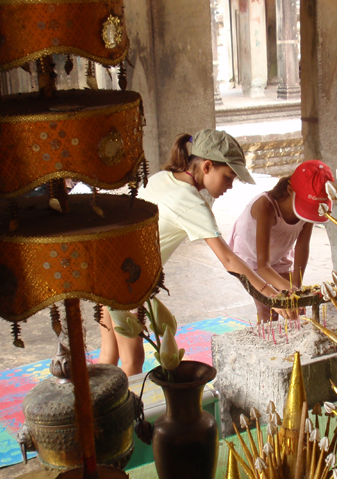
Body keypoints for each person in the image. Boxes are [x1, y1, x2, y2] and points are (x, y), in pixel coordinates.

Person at [99, 129, 280, 375]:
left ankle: (94, 411)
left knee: (108, 354)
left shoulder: (164, 177)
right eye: (228, 177)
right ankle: (129, 413)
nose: (230, 186)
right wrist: (271, 296)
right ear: (207, 167)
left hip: (106, 270)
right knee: (132, 361)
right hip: (128, 282)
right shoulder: (193, 203)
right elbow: (228, 259)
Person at [228, 160, 334, 322]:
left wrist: (296, 290)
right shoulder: (266, 207)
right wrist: (289, 289)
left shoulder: (308, 208)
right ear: (290, 190)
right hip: (251, 260)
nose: (310, 210)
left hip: (278, 256)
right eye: (308, 205)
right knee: (268, 307)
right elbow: (263, 267)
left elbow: (302, 246)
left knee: (294, 307)